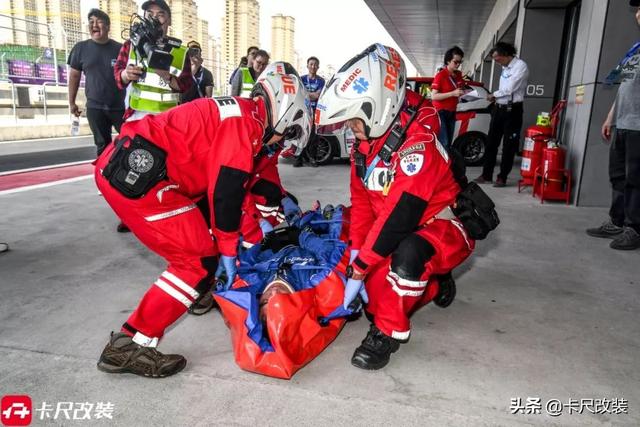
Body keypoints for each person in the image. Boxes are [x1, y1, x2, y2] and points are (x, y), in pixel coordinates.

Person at [94, 70, 311, 378]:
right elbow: (226, 192)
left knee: (207, 249)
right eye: (287, 133)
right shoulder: (246, 124)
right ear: (284, 114)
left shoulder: (243, 112)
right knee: (196, 263)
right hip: (143, 180)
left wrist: (281, 199)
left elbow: (246, 180)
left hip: (143, 170)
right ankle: (129, 344)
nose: (281, 142)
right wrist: (225, 252)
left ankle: (202, 291)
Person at [316, 43, 475, 370]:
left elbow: (403, 213)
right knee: (375, 299)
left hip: (440, 225)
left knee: (408, 257)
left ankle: (387, 334)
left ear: (379, 107)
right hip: (398, 227)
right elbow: (361, 204)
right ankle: (433, 285)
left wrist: (360, 268)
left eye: (354, 120)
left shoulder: (419, 140)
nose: (351, 129)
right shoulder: (366, 143)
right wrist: (358, 253)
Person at [586, 1, 640, 251]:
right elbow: (623, 88)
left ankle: (634, 228)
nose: (638, 14)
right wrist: (610, 118)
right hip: (623, 124)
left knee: (635, 180)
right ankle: (617, 221)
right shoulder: (636, 50)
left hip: (638, 127)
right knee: (618, 176)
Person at [113, 0, 192, 122]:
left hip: (168, 120)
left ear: (169, 20)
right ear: (144, 17)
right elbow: (118, 79)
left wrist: (168, 78)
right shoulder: (131, 45)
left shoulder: (181, 51)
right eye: (150, 14)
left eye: (160, 15)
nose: (154, 19)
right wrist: (126, 74)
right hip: (136, 117)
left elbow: (186, 86)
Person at [67, 9, 125, 157]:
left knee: (129, 142)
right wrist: (71, 102)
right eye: (91, 22)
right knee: (102, 147)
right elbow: (74, 76)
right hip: (95, 108)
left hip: (120, 108)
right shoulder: (80, 48)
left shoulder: (121, 49)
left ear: (108, 27)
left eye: (99, 22)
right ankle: (104, 177)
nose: (94, 25)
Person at [475, 41, 529, 187]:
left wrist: (493, 95)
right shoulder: (505, 68)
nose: (497, 62)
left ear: (506, 55)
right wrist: (495, 97)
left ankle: (502, 176)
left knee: (509, 146)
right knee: (491, 142)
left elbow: (510, 89)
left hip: (513, 111)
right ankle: (486, 175)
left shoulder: (520, 67)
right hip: (499, 108)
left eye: (498, 59)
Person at [431, 46, 465, 150]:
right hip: (441, 112)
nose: (458, 65)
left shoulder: (459, 75)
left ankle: (447, 165)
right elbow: (433, 96)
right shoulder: (440, 76)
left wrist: (463, 92)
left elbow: (460, 88)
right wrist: (452, 93)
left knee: (449, 142)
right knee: (444, 142)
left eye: (460, 62)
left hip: (452, 111)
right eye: (455, 62)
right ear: (448, 61)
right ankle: (441, 165)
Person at [294, 56, 325, 167]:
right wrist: (309, 95)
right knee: (301, 134)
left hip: (315, 111)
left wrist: (307, 94)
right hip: (303, 111)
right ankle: (298, 158)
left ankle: (312, 158)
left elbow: (317, 96)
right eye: (311, 64)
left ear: (318, 67)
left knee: (313, 136)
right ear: (307, 66)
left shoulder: (321, 81)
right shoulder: (301, 79)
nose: (313, 66)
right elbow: (299, 94)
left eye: (315, 64)